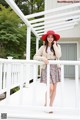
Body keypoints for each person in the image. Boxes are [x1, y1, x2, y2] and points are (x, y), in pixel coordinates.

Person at [33, 30, 62, 113]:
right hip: (46, 67)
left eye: (51, 37)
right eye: (48, 37)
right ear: (46, 38)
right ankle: (46, 102)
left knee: (54, 88)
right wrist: (43, 58)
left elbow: (59, 55)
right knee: (50, 87)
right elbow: (35, 56)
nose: (50, 38)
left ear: (54, 38)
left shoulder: (57, 46)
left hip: (55, 67)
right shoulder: (43, 47)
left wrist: (55, 45)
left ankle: (50, 105)